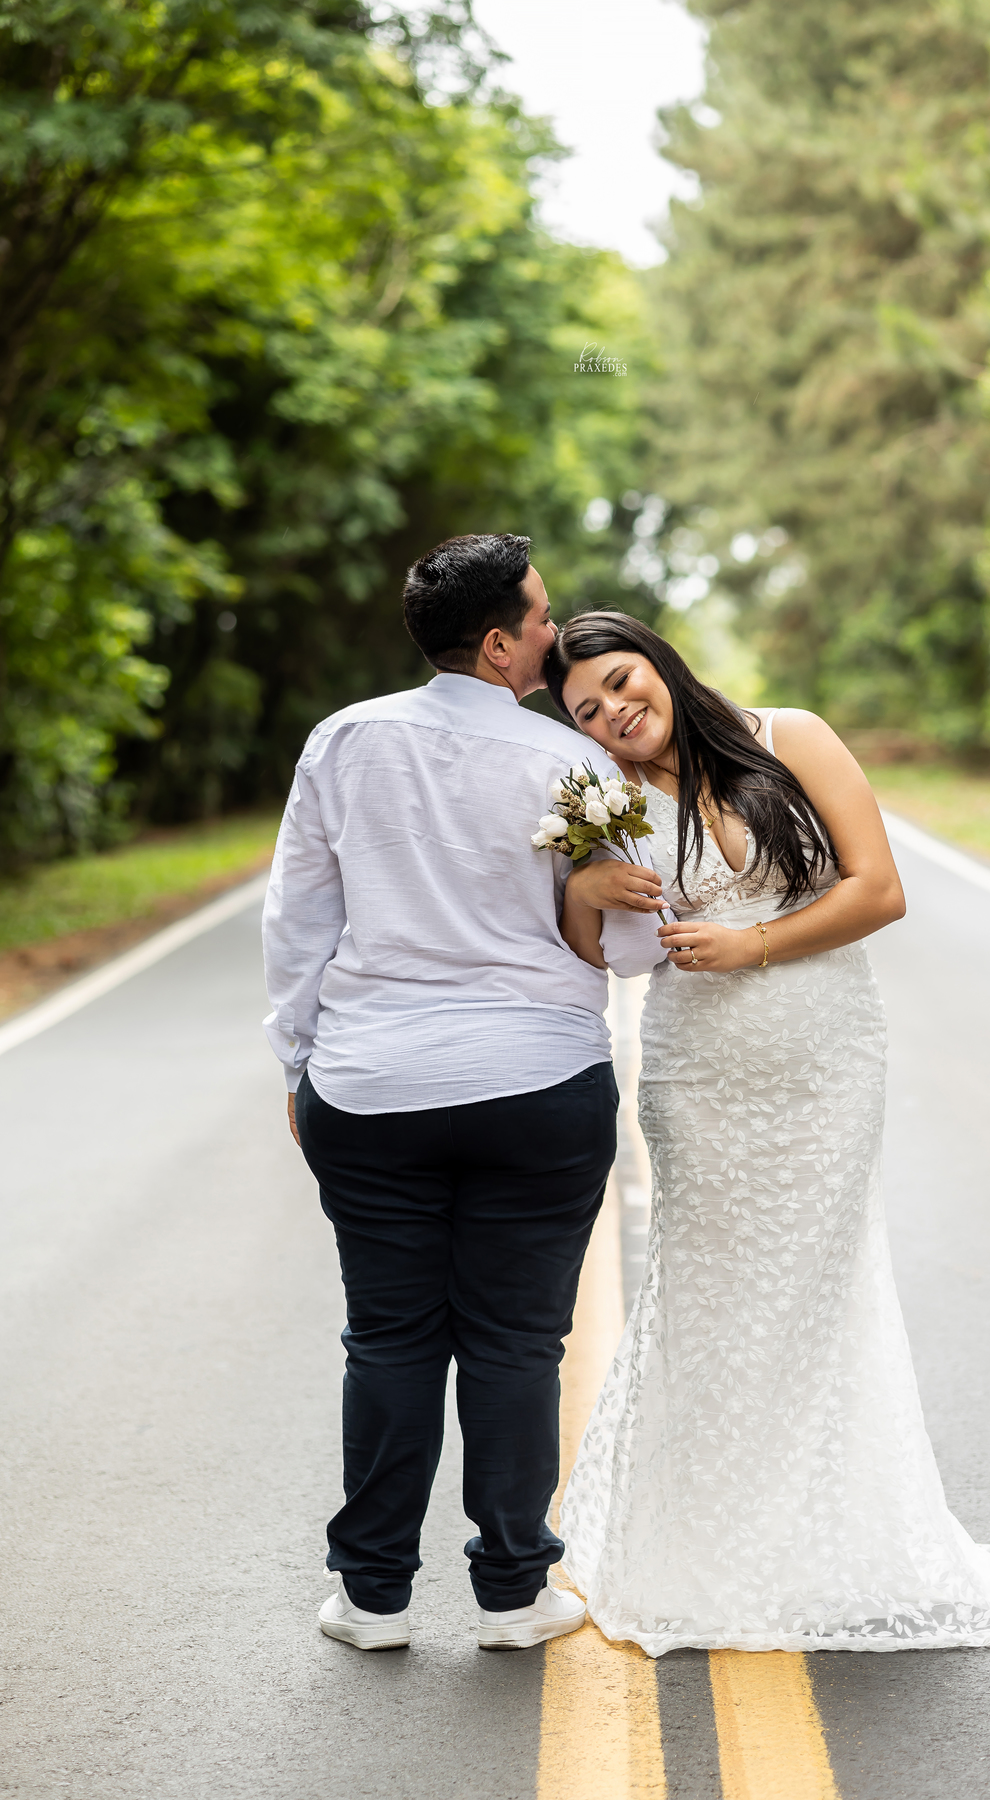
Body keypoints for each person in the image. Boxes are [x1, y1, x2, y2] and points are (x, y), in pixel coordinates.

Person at [544, 610, 990, 1656]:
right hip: (696, 1069)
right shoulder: (602, 800)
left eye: (623, 682)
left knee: (815, 1290)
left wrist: (756, 945)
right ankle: (704, 1544)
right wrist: (582, 891)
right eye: (587, 709)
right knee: (712, 1297)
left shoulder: (790, 736)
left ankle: (821, 1538)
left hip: (824, 1057)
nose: (615, 711)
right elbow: (603, 955)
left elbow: (879, 890)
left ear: (658, 663)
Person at [262, 537, 663, 1652]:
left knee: (388, 1339)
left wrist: (298, 1062)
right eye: (537, 618)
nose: (553, 629)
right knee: (516, 1345)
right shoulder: (571, 768)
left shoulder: (342, 742)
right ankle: (514, 1594)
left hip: (371, 1084)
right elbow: (629, 953)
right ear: (497, 645)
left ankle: (373, 1597)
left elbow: (298, 924)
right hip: (537, 1084)